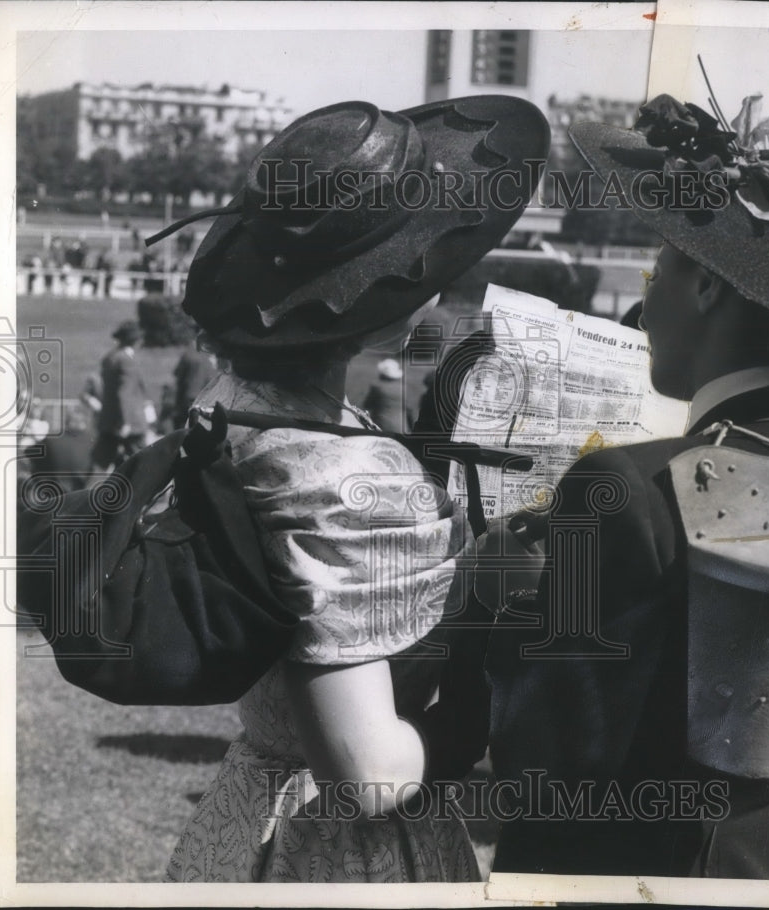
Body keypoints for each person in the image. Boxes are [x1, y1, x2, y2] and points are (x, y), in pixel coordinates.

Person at [481, 92, 769, 879]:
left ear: (709, 287)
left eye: (660, 269)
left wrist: (504, 599)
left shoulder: (619, 484)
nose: (645, 300)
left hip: (602, 875)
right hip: (760, 871)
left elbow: (539, 766)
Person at [156, 95, 549, 882]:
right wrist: (476, 678)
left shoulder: (228, 407)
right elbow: (366, 770)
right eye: (423, 260)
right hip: (333, 851)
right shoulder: (351, 478)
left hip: (245, 808)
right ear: (374, 314)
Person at [90, 320, 150, 471]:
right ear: (135, 340)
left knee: (100, 464)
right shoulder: (127, 361)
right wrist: (126, 421)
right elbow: (125, 393)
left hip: (109, 420)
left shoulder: (110, 357)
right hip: (129, 423)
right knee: (142, 465)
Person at [360, 358, 412, 433]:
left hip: (381, 426)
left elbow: (367, 405)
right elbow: (409, 410)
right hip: (401, 427)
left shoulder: (377, 387)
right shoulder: (403, 388)